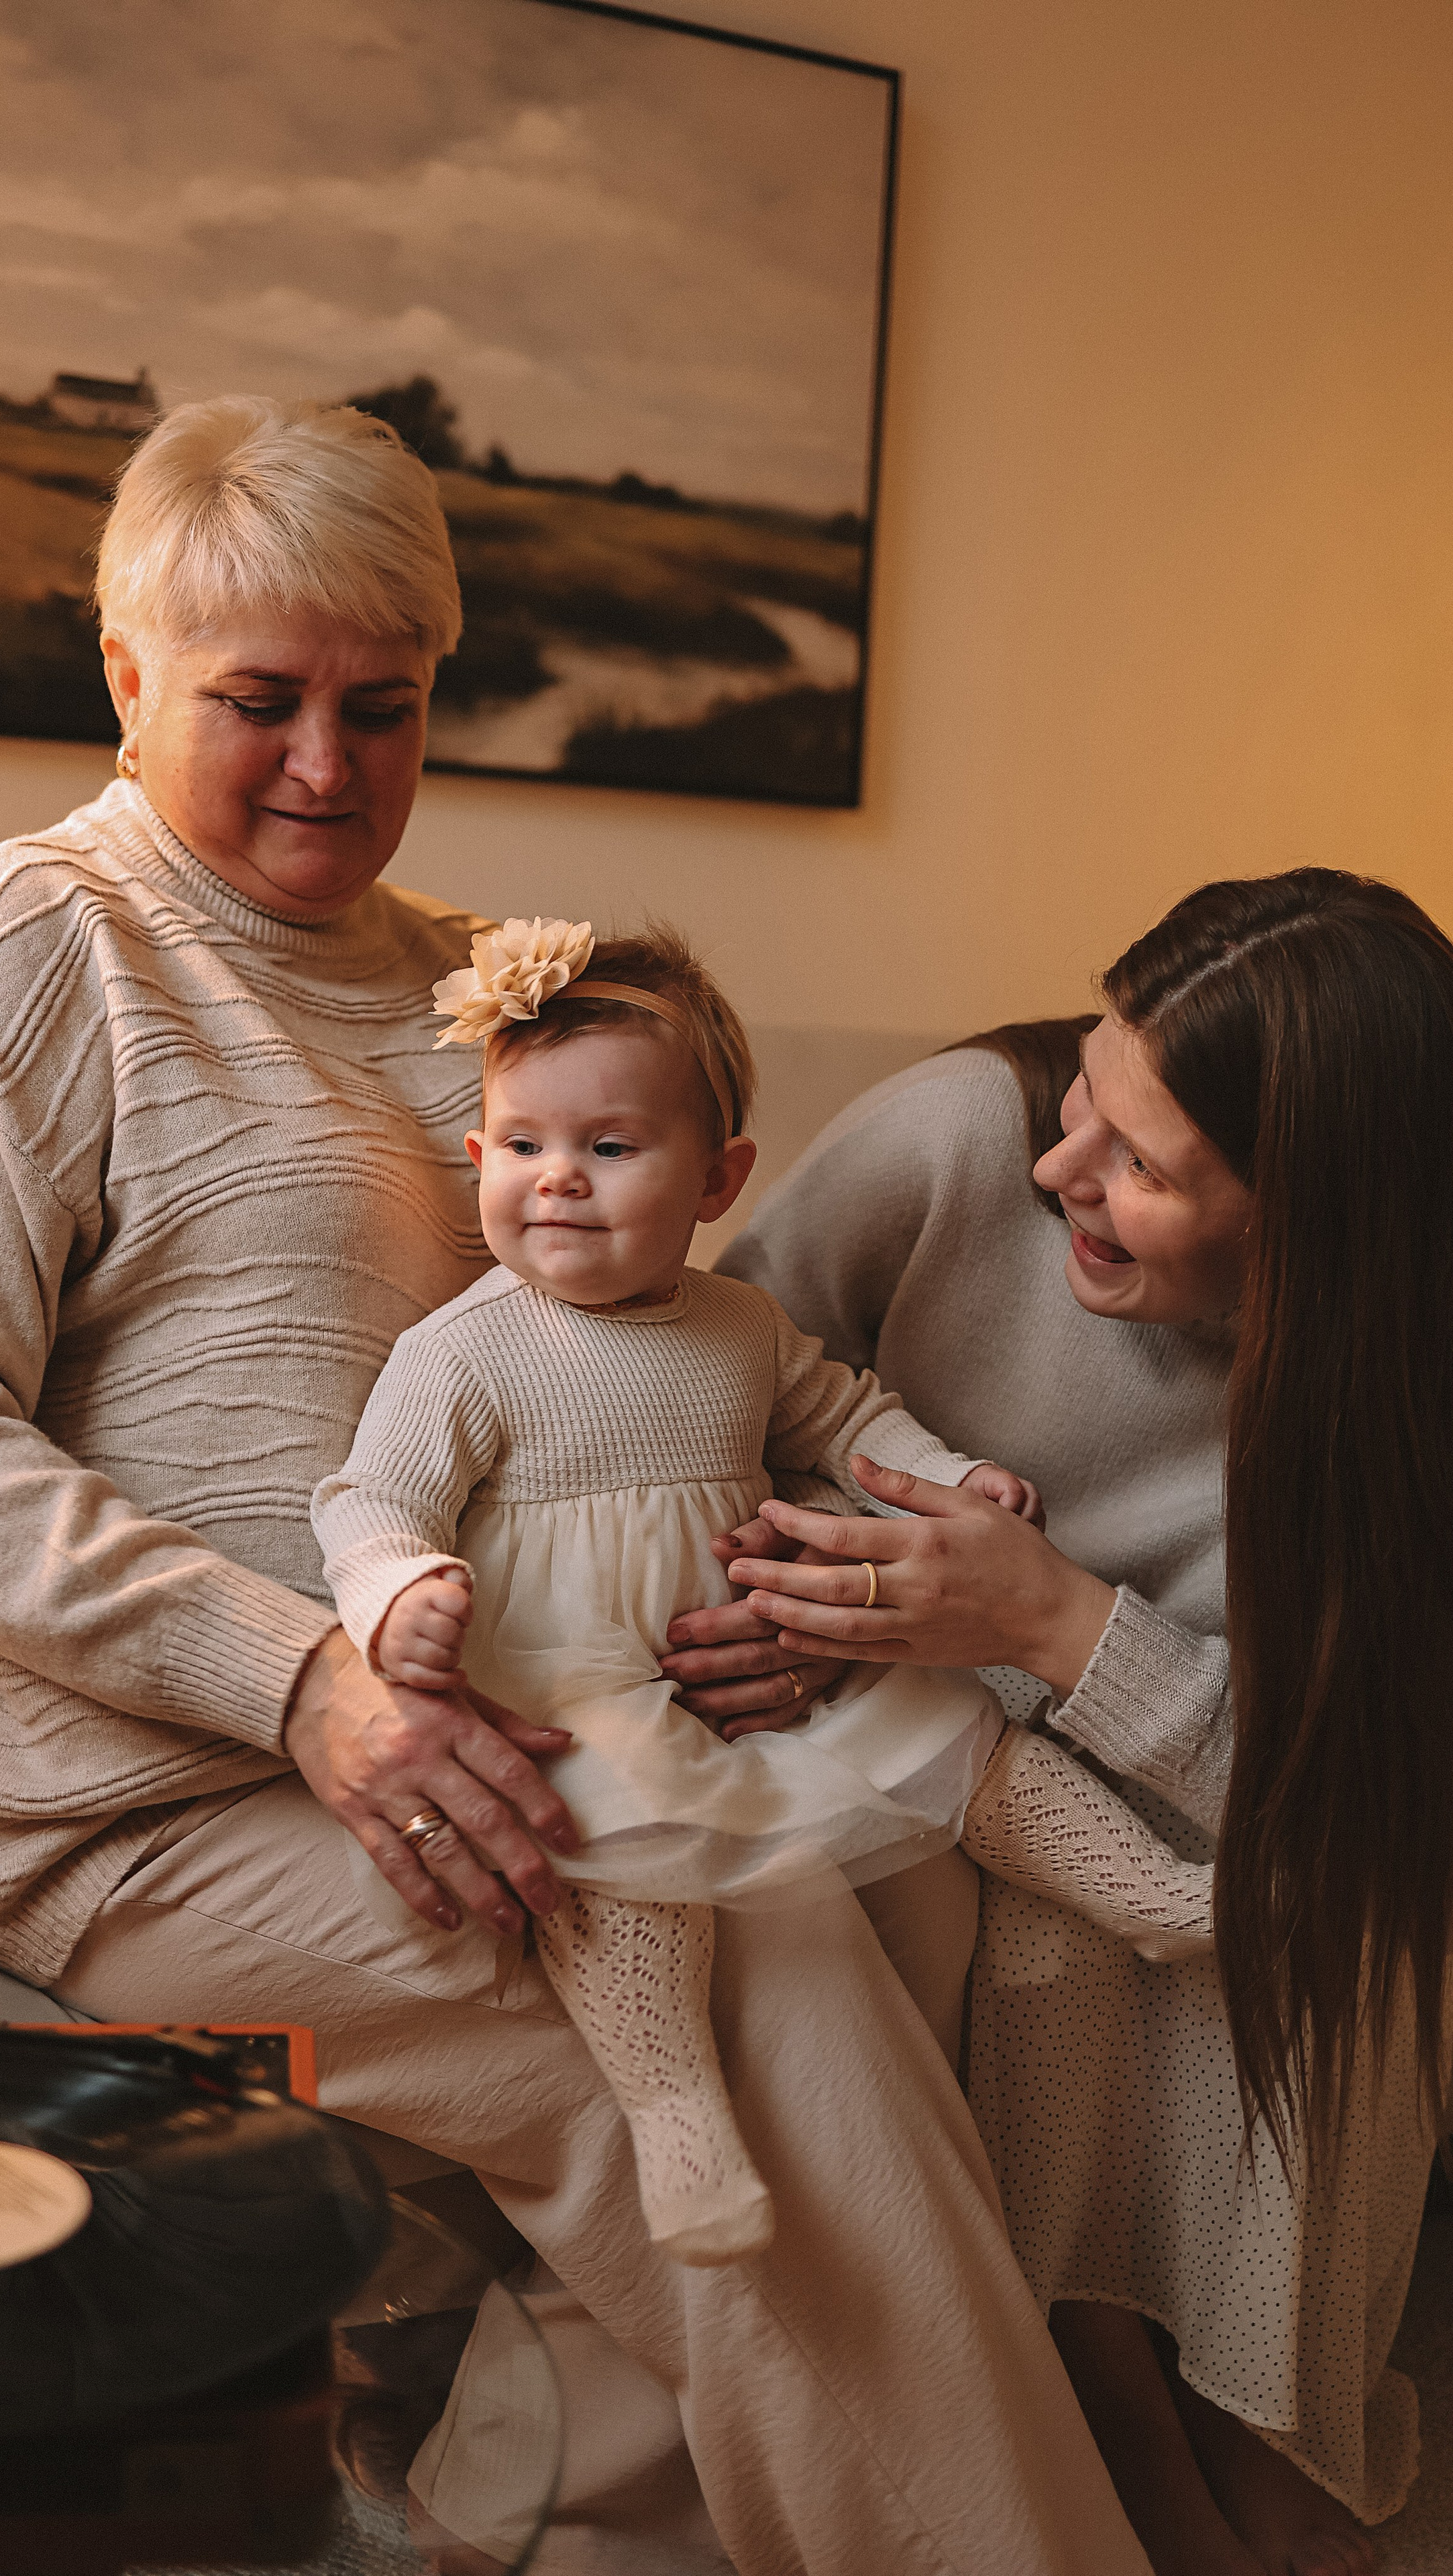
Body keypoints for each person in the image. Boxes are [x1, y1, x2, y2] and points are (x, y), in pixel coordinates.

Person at [0, 392, 1150, 2576]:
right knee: (750, 1943)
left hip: (507, 1706)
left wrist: (744, 1606)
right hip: (134, 1798)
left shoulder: (489, 992)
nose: (327, 764)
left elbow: (647, 1356)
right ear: (128, 679)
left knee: (922, 1875)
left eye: (386, 705)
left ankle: (622, 2512)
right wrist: (308, 1686)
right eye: (259, 703)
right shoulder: (20, 955)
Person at [697, 870, 1453, 2576]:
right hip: (928, 1756)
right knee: (1048, 1929)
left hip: (1229, 1818)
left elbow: (1361, 1820)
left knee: (1310, 1939)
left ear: (1315, 1219)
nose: (1061, 1177)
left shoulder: (1404, 1384)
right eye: (1083, 1101)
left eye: (1141, 1167)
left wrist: (1057, 1622)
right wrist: (802, 1616)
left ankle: (1226, 2411)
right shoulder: (959, 1142)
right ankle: (1113, 2406)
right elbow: (691, 1393)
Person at [313, 916, 1213, 2271]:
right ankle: (677, 2123)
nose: (555, 1182)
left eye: (608, 1149)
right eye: (520, 1147)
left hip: (756, 1667)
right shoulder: (464, 1355)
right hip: (574, 1682)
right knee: (620, 1874)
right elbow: (368, 1499)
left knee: (958, 1731)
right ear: (475, 1157)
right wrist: (398, 1593)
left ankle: (1151, 1892)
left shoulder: (738, 1328)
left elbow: (844, 1417)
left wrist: (948, 1475)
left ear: (717, 1178)